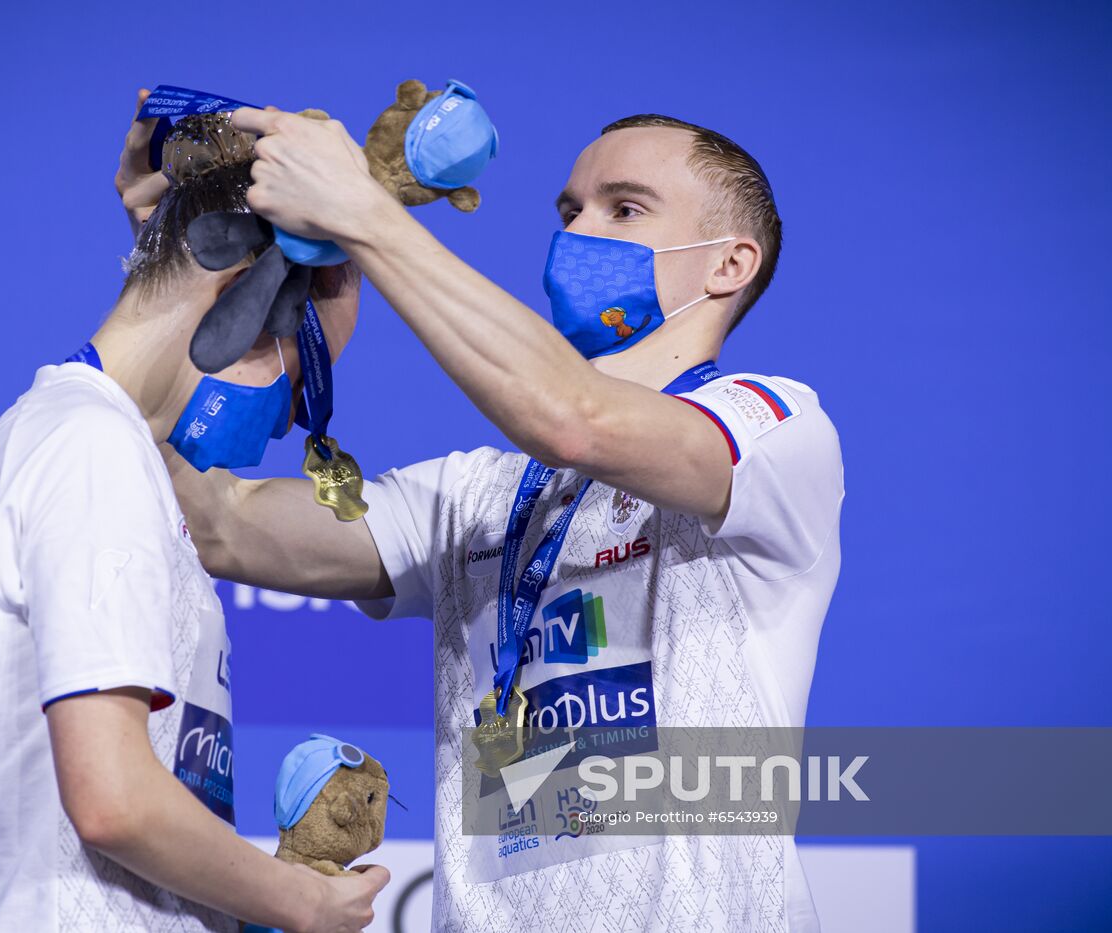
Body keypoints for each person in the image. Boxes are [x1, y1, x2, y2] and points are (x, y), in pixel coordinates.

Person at [123, 95, 844, 931]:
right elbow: (214, 520)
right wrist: (174, 276)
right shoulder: (483, 493)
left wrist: (365, 216)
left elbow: (574, 417)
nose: (577, 231)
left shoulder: (775, 426)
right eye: (569, 209)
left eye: (625, 207)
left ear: (729, 264)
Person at [0, 96, 386, 933]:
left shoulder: (62, 437)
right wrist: (304, 902)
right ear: (241, 289)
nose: (279, 427)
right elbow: (115, 800)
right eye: (303, 385)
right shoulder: (92, 451)